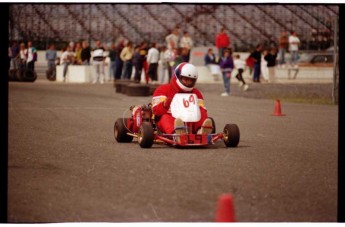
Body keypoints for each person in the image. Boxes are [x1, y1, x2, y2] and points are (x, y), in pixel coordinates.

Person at [151, 62, 214, 139]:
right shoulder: (163, 90)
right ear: (178, 77)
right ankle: (177, 134)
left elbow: (201, 111)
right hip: (171, 119)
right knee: (165, 118)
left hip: (191, 120)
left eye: (191, 80)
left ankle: (201, 131)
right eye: (186, 79)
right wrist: (165, 104)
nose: (188, 82)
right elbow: (156, 112)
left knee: (202, 112)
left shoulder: (196, 93)